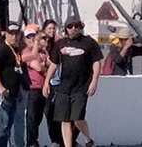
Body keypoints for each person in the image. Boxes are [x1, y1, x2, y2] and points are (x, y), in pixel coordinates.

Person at [47, 18, 102, 147]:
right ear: (66, 28)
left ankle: (88, 139)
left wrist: (94, 81)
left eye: (76, 26)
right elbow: (54, 64)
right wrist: (46, 82)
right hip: (64, 87)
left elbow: (97, 62)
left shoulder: (89, 43)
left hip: (81, 87)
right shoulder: (60, 44)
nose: (73, 29)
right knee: (64, 119)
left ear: (80, 27)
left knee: (77, 117)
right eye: (70, 26)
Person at [0, 23, 28, 147]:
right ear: (6, 34)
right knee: (2, 127)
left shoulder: (16, 50)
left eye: (16, 34)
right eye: (11, 34)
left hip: (14, 94)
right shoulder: (2, 49)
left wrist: (19, 91)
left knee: (8, 127)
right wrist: (0, 88)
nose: (14, 36)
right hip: (4, 95)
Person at [18, 36, 54, 147]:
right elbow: (37, 67)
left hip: (45, 87)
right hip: (33, 88)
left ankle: (55, 140)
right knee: (32, 117)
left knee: (49, 114)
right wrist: (45, 67)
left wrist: (45, 66)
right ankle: (32, 142)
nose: (43, 42)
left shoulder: (44, 53)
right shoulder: (27, 52)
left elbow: (52, 64)